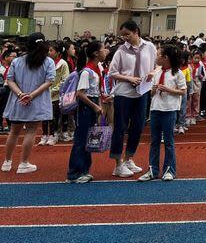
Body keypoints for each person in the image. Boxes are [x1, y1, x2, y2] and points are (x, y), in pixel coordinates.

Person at [107, 20, 158, 179]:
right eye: (123, 35)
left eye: (127, 34)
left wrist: (152, 73)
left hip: (142, 91)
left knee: (138, 125)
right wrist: (128, 78)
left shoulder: (149, 47)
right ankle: (117, 163)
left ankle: (129, 158)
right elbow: (112, 73)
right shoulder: (121, 51)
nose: (125, 38)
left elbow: (158, 65)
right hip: (124, 93)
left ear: (136, 31)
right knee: (120, 127)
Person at [2, 33, 55, 174]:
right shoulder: (48, 61)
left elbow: (10, 80)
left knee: (14, 131)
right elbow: (49, 81)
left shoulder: (17, 61)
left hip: (18, 100)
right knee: (31, 130)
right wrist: (31, 95)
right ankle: (23, 163)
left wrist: (20, 94)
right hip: (36, 102)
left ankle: (7, 162)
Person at [140, 45, 187, 181]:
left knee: (168, 141)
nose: (156, 58)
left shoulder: (177, 73)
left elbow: (183, 91)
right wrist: (154, 90)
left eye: (158, 55)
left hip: (169, 109)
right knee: (154, 141)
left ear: (165, 57)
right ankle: (153, 169)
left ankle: (169, 170)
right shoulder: (157, 72)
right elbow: (151, 92)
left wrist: (168, 89)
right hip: (155, 109)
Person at [66, 41, 107, 183]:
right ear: (96, 53)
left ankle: (84, 170)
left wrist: (99, 105)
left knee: (88, 139)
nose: (105, 51)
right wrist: (95, 106)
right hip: (86, 107)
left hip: (93, 104)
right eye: (103, 49)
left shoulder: (97, 70)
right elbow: (80, 94)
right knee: (81, 140)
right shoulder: (87, 71)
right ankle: (74, 173)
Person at [40, 42, 70, 146]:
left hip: (56, 94)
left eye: (51, 51)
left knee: (54, 116)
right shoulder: (46, 62)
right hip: (44, 92)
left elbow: (65, 80)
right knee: (44, 116)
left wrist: (55, 90)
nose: (49, 52)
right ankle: (44, 135)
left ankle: (53, 135)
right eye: (48, 50)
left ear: (58, 53)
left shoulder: (63, 64)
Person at [0, 48, 18, 134]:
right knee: (4, 108)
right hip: (6, 89)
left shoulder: (14, 67)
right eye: (13, 56)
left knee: (9, 108)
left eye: (16, 56)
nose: (15, 58)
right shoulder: (4, 68)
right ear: (6, 57)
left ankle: (11, 126)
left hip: (12, 89)